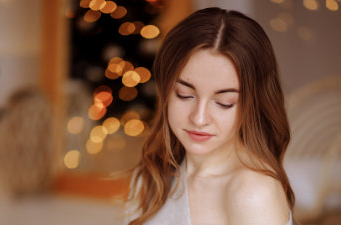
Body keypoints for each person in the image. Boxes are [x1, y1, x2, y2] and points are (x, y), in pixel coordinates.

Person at [125, 7, 295, 225]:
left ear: (252, 105)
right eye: (184, 95)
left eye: (224, 103)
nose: (199, 118)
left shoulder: (253, 195)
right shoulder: (153, 172)